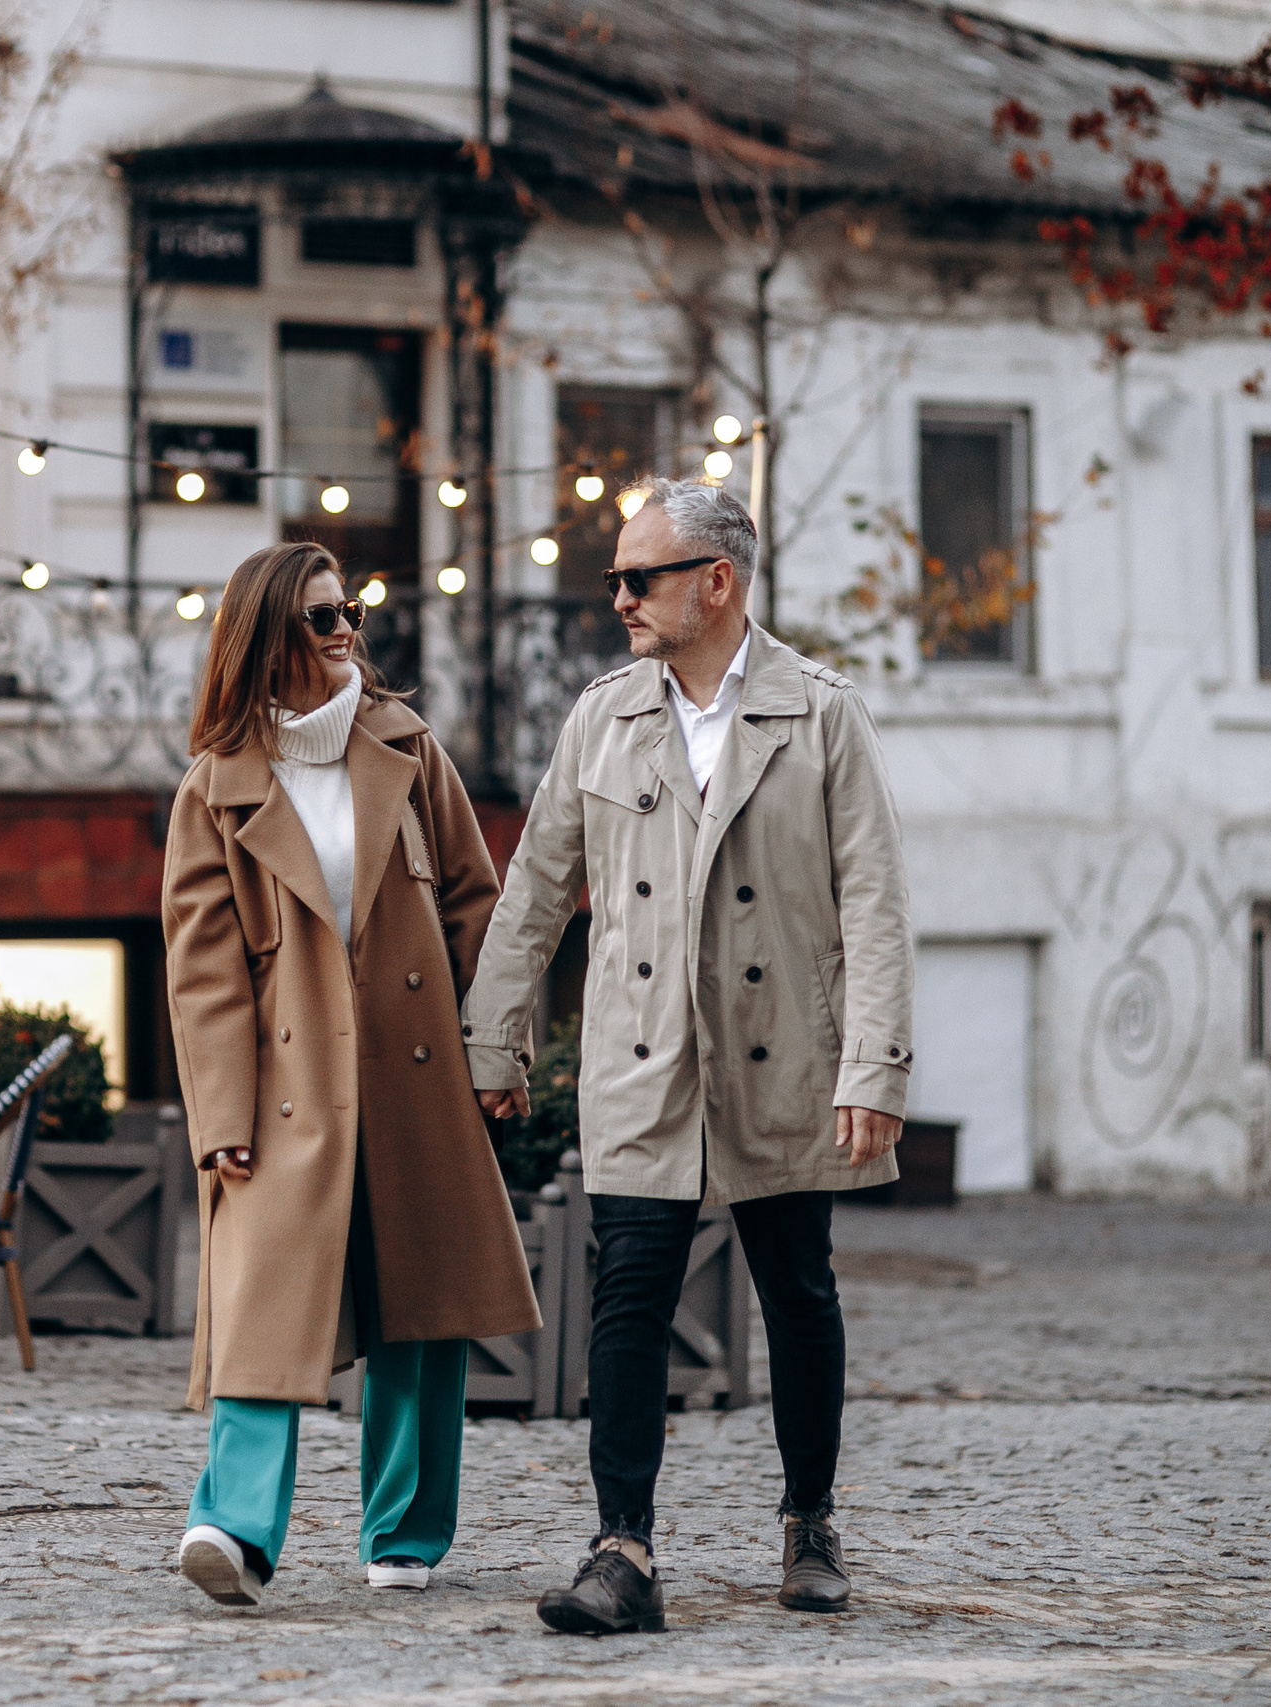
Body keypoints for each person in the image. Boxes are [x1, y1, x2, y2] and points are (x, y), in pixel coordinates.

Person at [460, 477, 916, 1634]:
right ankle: (621, 1551)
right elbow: (536, 888)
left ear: (715, 582)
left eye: (638, 577)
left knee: (797, 1291)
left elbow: (875, 899)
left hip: (784, 1052)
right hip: (641, 1053)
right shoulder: (602, 716)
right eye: (614, 578)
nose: (617, 597)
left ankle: (809, 1524)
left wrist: (874, 1065)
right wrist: (493, 1037)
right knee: (626, 1296)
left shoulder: (821, 713)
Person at [161, 541, 540, 1607]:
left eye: (349, 613)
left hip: (416, 1077)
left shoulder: (408, 748)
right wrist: (221, 1119)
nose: (345, 632)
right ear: (265, 637)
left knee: (422, 1306)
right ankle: (233, 1531)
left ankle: (404, 1534)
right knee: (259, 1307)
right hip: (283, 1092)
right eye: (321, 616)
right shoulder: (215, 791)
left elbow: (474, 906)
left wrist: (497, 1050)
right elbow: (203, 974)